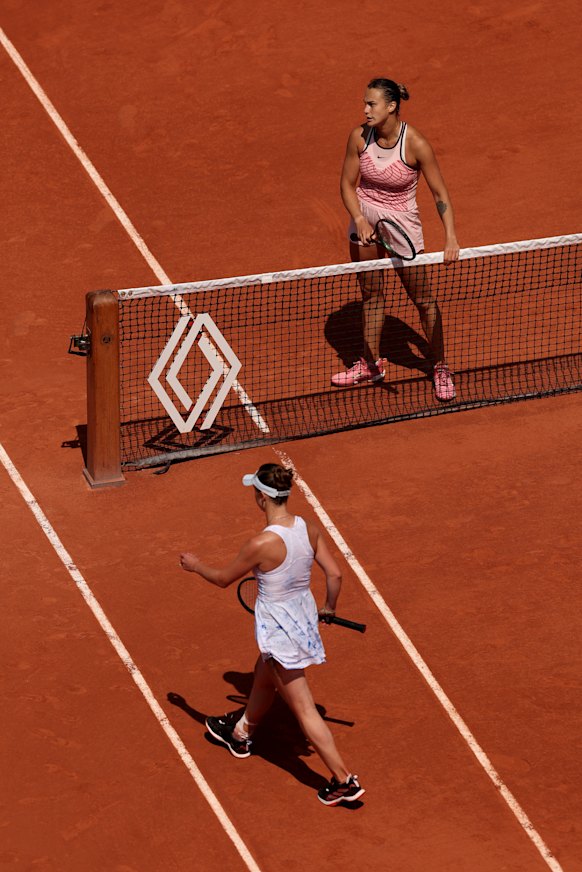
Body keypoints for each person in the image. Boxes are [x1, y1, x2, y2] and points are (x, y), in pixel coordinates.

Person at [179, 462, 365, 807]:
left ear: (262, 498)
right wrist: (329, 608)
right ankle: (240, 734)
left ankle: (343, 780)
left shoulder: (261, 544)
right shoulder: (308, 528)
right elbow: (335, 575)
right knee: (263, 676)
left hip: (281, 634)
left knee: (305, 710)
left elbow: (222, 579)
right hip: (303, 619)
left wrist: (195, 565)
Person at [332, 77, 460, 401]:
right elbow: (347, 185)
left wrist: (450, 238)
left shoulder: (415, 144)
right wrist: (360, 219)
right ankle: (370, 363)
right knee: (371, 294)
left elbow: (439, 193)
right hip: (365, 220)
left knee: (423, 300)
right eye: (365, 103)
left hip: (402, 224)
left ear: (391, 106)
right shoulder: (359, 138)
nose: (365, 109)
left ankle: (440, 366)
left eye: (371, 104)